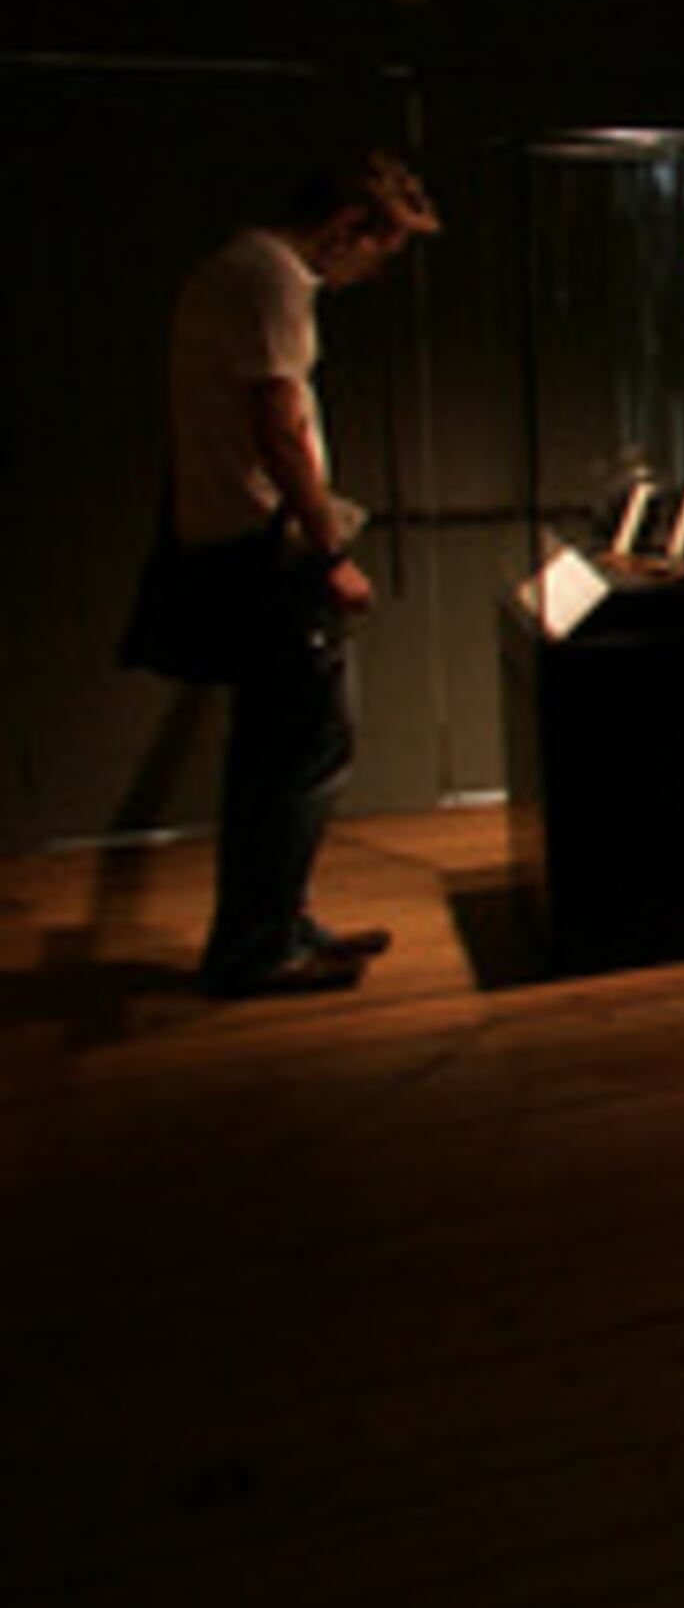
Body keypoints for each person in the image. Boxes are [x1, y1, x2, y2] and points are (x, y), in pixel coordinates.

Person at [131, 149, 441, 997]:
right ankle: (257, 947)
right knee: (299, 751)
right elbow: (279, 429)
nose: (373, 270)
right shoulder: (271, 279)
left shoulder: (237, 269)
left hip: (246, 545)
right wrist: (330, 552)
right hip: (271, 555)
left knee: (285, 749)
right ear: (346, 227)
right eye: (379, 249)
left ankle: (278, 922)